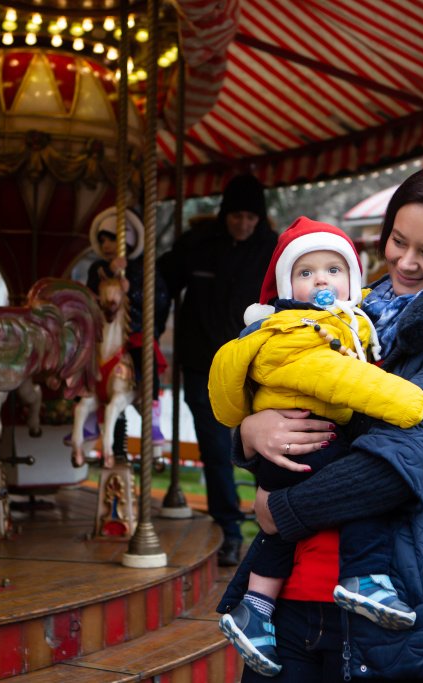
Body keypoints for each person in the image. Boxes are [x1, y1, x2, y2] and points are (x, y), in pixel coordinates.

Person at [218, 164, 423, 681]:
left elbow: (400, 468)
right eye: (398, 241)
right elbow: (272, 387)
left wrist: (280, 510)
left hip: (395, 602)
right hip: (291, 595)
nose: (406, 262)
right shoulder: (347, 312)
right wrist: (249, 432)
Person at [210, 217, 423, 676]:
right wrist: (406, 401)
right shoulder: (300, 331)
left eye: (333, 269)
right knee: (360, 493)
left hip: (299, 448)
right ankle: (364, 575)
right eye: (306, 272)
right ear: (285, 285)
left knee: (280, 527)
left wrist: (246, 429)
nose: (321, 281)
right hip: (310, 441)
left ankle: (255, 606)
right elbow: (341, 378)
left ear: (353, 278)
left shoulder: (348, 325)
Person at [157, 174, 278, 566]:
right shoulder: (197, 245)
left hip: (256, 366)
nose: (243, 224)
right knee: (214, 448)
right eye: (236, 216)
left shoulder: (272, 251)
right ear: (225, 214)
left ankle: (274, 531)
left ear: (260, 218)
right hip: (202, 363)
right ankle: (228, 531)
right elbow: (160, 279)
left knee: (266, 446)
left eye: (251, 218)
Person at [73, 207, 170, 451]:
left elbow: (159, 299)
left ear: (129, 240)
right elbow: (91, 294)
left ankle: (152, 415)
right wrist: (110, 274)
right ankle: (86, 413)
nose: (107, 245)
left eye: (113, 239)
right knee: (81, 358)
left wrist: (131, 290)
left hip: (134, 329)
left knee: (146, 359)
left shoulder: (143, 268)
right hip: (104, 332)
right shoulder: (98, 268)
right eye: (103, 240)